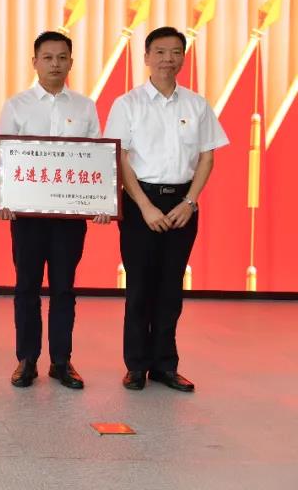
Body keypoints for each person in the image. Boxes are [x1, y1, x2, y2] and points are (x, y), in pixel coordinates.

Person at [105, 26, 228, 392]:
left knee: (171, 289)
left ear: (183, 59)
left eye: (175, 52)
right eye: (159, 52)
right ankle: (136, 366)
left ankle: (164, 365)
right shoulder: (128, 104)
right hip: (140, 203)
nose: (167, 59)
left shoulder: (197, 104)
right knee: (140, 287)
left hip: (183, 205)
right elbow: (120, 158)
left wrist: (190, 201)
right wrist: (144, 206)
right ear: (146, 57)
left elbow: (207, 157)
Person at [0, 31, 109, 390]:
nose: (55, 64)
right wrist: (3, 199)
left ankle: (62, 362)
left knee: (64, 289)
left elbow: (96, 160)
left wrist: (101, 202)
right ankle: (26, 360)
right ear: (35, 62)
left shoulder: (85, 107)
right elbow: (4, 157)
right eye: (47, 57)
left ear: (71, 63)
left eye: (62, 58)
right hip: (27, 217)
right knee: (26, 287)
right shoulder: (17, 105)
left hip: (68, 219)